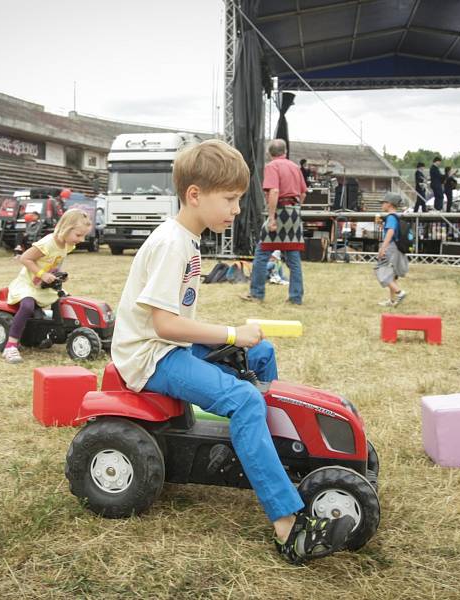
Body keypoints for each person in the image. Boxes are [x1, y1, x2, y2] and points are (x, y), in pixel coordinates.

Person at [111, 139, 353, 564]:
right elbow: (163, 325)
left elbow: (175, 320)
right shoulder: (172, 244)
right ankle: (286, 526)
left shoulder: (187, 238)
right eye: (230, 199)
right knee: (243, 399)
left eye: (239, 199)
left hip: (171, 345)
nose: (237, 209)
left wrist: (236, 337)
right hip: (152, 356)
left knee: (260, 354)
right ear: (195, 195)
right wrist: (229, 333)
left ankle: (271, 454)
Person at [2, 208, 92, 363]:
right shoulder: (47, 243)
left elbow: (54, 262)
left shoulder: (68, 245)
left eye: (84, 235)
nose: (81, 239)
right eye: (78, 235)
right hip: (29, 284)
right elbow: (25, 258)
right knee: (28, 306)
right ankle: (11, 345)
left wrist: (57, 274)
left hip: (44, 284)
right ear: (66, 229)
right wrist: (42, 274)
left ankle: (50, 334)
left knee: (63, 302)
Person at [243, 139, 306, 305]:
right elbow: (303, 193)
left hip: (280, 212)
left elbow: (274, 191)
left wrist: (272, 218)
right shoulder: (295, 167)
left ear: (270, 154)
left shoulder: (272, 166)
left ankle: (256, 293)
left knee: (262, 253)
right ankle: (296, 297)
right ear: (284, 151)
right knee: (293, 257)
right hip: (294, 212)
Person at [374, 192, 409, 307]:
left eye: (383, 203)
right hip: (396, 248)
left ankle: (400, 293)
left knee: (380, 270)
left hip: (390, 247)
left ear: (389, 204)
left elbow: (390, 232)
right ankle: (392, 300)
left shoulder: (390, 217)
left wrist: (383, 248)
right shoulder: (395, 217)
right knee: (391, 274)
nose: (382, 205)